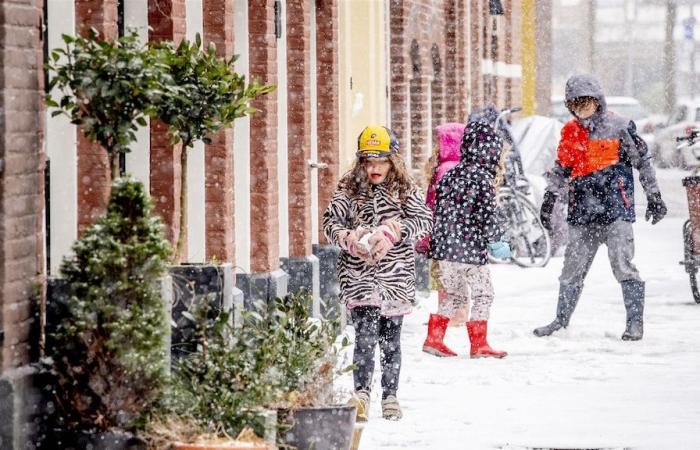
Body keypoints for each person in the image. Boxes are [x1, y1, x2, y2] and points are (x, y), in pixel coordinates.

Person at [534, 74, 667, 341]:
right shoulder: (570, 132)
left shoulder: (619, 126)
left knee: (623, 264)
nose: (582, 108)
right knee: (572, 268)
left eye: (587, 102)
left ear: (598, 101)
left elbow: (642, 161)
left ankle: (634, 324)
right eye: (576, 103)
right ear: (570, 106)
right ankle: (561, 321)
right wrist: (549, 199)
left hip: (615, 208)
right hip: (582, 211)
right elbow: (562, 168)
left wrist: (654, 196)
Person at [322, 125, 432, 421]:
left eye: (381, 160)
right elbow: (330, 224)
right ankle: (361, 394)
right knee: (365, 337)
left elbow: (424, 221)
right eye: (369, 161)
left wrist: (394, 233)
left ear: (392, 160)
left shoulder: (405, 190)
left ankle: (390, 396)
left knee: (391, 339)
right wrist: (350, 239)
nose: (374, 168)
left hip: (395, 280)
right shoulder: (348, 189)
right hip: (359, 278)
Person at [428, 120, 510, 359]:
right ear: (490, 151)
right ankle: (479, 344)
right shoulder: (482, 179)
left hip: (444, 250)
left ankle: (434, 339)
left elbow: (439, 209)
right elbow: (486, 216)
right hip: (469, 251)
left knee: (454, 295)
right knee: (483, 294)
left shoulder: (449, 175)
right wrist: (496, 242)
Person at [417, 122, 468, 357]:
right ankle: (455, 313)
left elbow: (436, 203)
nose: (437, 145)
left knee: (445, 274)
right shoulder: (456, 166)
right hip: (454, 233)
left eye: (440, 141)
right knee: (453, 273)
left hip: (445, 232)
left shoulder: (447, 168)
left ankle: (452, 314)